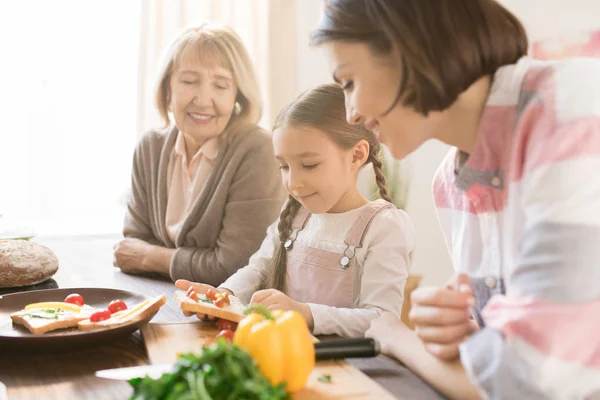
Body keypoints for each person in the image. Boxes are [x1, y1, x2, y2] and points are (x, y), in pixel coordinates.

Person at [312, 0, 600, 399]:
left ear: (409, 45)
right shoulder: (450, 185)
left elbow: (527, 381)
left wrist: (400, 338)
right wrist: (461, 328)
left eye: (349, 82)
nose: (351, 115)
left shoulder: (573, 112)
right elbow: (506, 353)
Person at [177, 84, 414, 337]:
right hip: (283, 354)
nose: (293, 182)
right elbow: (260, 268)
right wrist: (225, 295)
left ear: (356, 155)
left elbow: (381, 320)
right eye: (284, 166)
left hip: (347, 369)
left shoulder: (384, 227)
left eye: (309, 165)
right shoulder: (296, 215)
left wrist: (306, 313)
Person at [113, 23, 286, 286]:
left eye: (220, 85)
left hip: (233, 313)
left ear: (237, 95)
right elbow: (132, 248)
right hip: (162, 300)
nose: (204, 100)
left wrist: (152, 257)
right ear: (167, 88)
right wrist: (188, 262)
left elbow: (236, 267)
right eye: (189, 81)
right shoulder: (150, 148)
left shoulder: (257, 150)